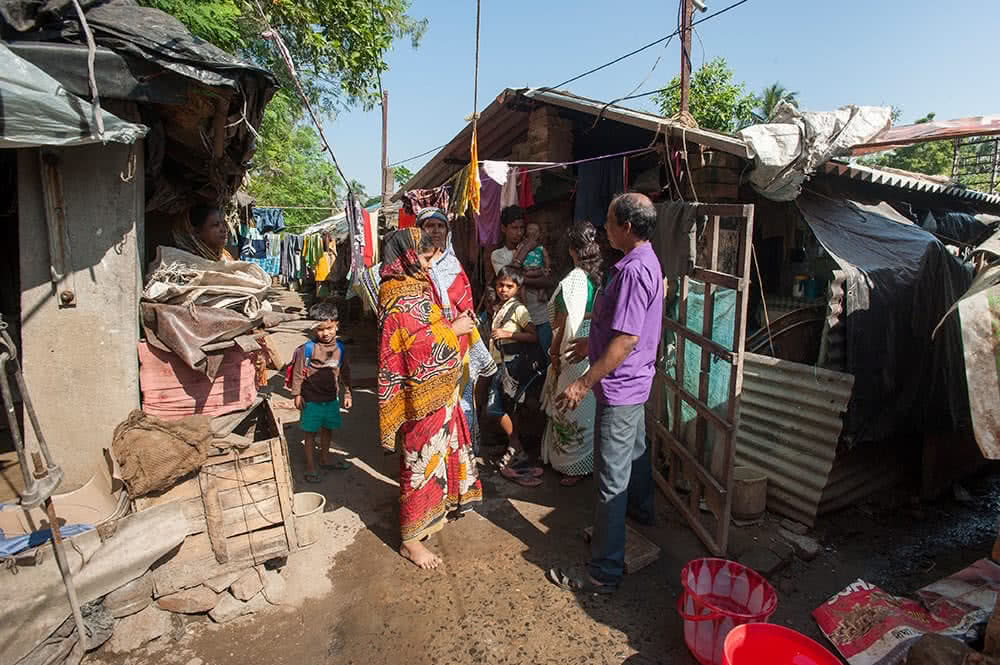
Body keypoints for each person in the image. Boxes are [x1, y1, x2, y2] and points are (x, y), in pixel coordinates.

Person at [547, 193, 664, 594]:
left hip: (620, 386)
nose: (604, 230)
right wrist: (591, 344)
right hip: (634, 381)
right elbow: (618, 326)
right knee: (635, 453)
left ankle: (604, 572)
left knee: (611, 479)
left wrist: (583, 382)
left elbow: (626, 339)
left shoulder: (632, 270)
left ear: (626, 227)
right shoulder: (643, 259)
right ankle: (641, 517)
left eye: (609, 223)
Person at [377, 228, 482, 570]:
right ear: (407, 257)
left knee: (433, 458)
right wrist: (454, 330)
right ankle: (410, 539)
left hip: (437, 394)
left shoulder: (411, 290)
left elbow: (424, 333)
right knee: (418, 462)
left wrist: (450, 326)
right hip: (420, 397)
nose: (426, 264)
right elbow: (415, 347)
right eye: (422, 258)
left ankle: (433, 513)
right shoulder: (400, 298)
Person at [415, 208, 498, 456]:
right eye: (430, 226)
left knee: (461, 403)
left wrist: (466, 318)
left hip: (458, 345)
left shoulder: (454, 264)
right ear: (419, 231)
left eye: (441, 227)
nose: (436, 231)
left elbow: (466, 301)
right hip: (427, 346)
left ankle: (461, 457)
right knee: (431, 406)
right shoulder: (413, 265)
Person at [540, 221, 602, 487]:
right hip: (596, 342)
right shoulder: (601, 277)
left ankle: (572, 466)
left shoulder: (573, 281)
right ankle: (586, 462)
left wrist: (554, 353)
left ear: (572, 250)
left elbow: (565, 321)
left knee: (569, 406)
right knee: (587, 408)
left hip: (574, 345)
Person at [489, 266, 544, 486]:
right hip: (499, 365)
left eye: (509, 286)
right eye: (501, 285)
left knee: (496, 409)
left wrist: (508, 333)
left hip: (511, 367)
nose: (503, 289)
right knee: (505, 408)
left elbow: (534, 336)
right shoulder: (499, 307)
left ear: (518, 288)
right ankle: (515, 446)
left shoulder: (519, 309)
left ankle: (515, 445)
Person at [289, 303, 353, 483]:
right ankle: (310, 466)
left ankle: (324, 459)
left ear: (336, 325)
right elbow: (297, 372)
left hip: (331, 399)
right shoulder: (307, 349)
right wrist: (297, 395)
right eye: (320, 329)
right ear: (313, 328)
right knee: (310, 434)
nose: (325, 333)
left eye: (329, 328)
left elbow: (345, 372)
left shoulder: (340, 348)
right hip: (311, 400)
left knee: (328, 431)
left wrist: (347, 393)